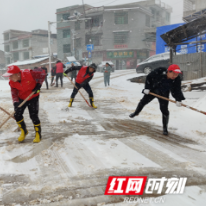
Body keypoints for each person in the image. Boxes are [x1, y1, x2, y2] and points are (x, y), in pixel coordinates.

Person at [129, 64, 185, 135]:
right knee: (143, 102)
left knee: (164, 110)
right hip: (153, 90)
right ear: (168, 71)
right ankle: (136, 112)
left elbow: (177, 90)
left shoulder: (177, 79)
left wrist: (178, 99)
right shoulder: (160, 71)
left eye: (177, 74)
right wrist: (147, 88)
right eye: (173, 73)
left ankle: (165, 128)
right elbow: (149, 77)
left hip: (164, 93)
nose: (175, 76)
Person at [2, 65, 46, 143]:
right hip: (21, 98)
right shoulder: (11, 81)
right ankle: (24, 131)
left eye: (11, 76)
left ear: (17, 74)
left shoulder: (29, 73)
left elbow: (42, 74)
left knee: (33, 115)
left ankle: (38, 134)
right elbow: (14, 93)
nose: (10, 78)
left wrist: (39, 84)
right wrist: (15, 102)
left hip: (33, 96)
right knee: (17, 114)